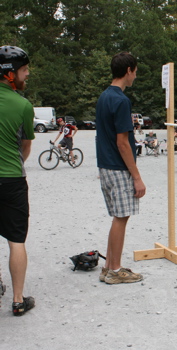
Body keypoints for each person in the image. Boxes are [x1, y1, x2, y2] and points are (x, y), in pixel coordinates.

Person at [95, 52, 146, 284]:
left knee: (117, 217)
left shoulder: (104, 96)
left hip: (106, 165)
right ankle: (115, 270)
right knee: (121, 218)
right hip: (118, 166)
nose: (136, 75)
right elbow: (123, 142)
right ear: (128, 71)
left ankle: (108, 267)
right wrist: (137, 177)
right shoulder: (121, 100)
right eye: (135, 71)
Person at [0, 45, 36, 316]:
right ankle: (17, 300)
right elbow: (25, 148)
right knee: (16, 240)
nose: (27, 75)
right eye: (24, 70)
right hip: (11, 179)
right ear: (9, 74)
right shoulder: (23, 105)